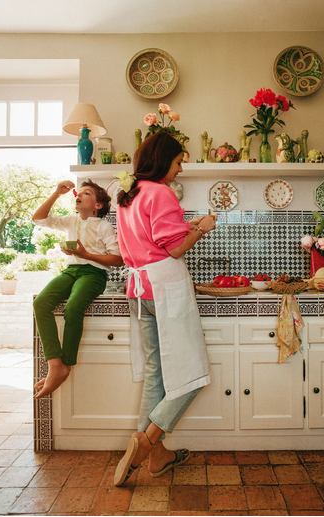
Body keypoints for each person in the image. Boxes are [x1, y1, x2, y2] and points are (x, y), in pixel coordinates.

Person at [113, 132, 216, 486]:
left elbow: (152, 239)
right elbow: (173, 250)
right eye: (177, 162)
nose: (181, 168)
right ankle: (146, 440)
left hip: (139, 289)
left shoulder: (128, 194)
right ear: (162, 160)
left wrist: (187, 227)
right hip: (166, 287)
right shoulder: (161, 192)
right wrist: (201, 228)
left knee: (157, 371)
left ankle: (156, 457)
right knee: (193, 373)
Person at [32, 179, 123, 399]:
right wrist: (56, 193)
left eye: (87, 192)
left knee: (73, 308)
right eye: (78, 192)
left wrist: (85, 255)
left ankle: (67, 364)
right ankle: (56, 364)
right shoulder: (71, 221)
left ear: (98, 205)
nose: (78, 194)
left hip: (93, 273)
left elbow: (118, 259)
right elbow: (38, 219)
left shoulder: (103, 225)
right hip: (71, 272)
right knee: (40, 303)